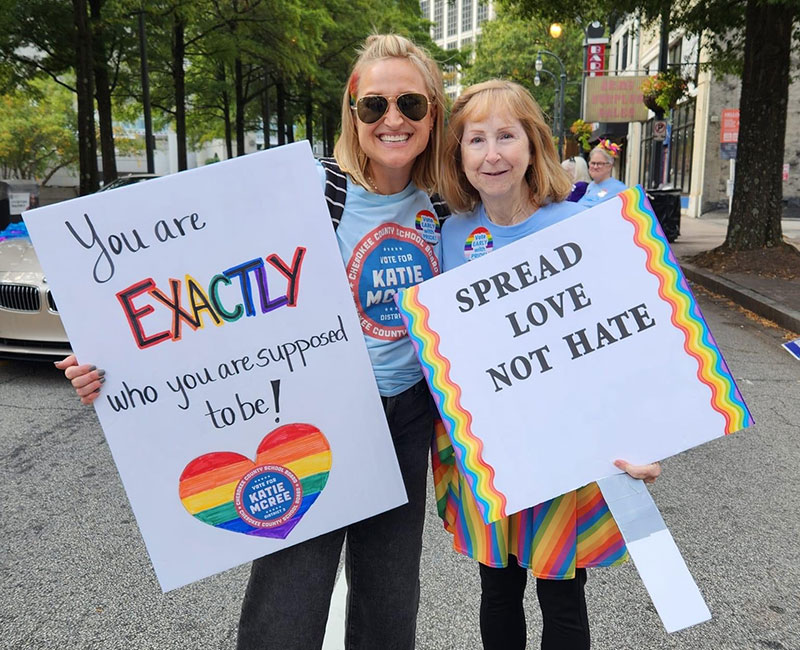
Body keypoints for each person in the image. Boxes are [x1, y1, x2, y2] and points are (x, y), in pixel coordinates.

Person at [56, 33, 447, 650]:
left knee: (390, 599)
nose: (392, 120)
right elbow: (195, 269)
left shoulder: (450, 202)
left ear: (433, 114)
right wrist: (106, 352)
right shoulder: (308, 186)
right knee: (290, 597)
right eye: (374, 105)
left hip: (409, 416)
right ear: (352, 112)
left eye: (411, 105)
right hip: (321, 413)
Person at [437, 79, 661, 650]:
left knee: (562, 593)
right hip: (492, 446)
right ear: (457, 156)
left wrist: (646, 435)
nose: (492, 154)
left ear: (533, 145)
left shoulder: (578, 223)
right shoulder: (452, 233)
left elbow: (627, 341)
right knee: (497, 589)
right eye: (476, 139)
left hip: (567, 443)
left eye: (506, 135)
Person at [577, 139, 627, 207]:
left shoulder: (620, 189)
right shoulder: (591, 186)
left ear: (609, 166)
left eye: (599, 163)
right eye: (593, 163)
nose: (595, 167)